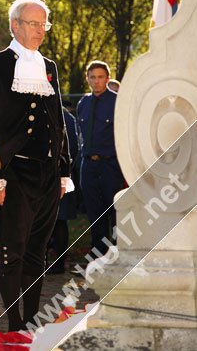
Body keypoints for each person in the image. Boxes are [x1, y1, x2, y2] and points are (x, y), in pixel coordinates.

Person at [0, 0, 72, 332]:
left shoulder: (49, 67)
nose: (40, 30)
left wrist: (63, 170)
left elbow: (57, 121)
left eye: (43, 23)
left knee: (38, 251)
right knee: (12, 251)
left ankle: (31, 320)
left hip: (47, 174)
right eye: (33, 23)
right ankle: (14, 322)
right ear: (14, 25)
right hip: (14, 173)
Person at [76, 60, 125, 258]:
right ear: (87, 79)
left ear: (107, 78)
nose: (96, 81)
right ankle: (98, 260)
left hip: (110, 165)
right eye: (92, 77)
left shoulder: (117, 102)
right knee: (95, 215)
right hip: (88, 165)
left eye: (100, 77)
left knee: (115, 214)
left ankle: (118, 259)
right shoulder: (83, 103)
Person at [47, 106, 80, 274]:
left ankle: (59, 264)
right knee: (42, 222)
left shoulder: (67, 118)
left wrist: (61, 174)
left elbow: (72, 150)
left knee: (60, 222)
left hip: (60, 177)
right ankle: (42, 262)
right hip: (41, 178)